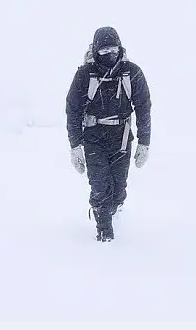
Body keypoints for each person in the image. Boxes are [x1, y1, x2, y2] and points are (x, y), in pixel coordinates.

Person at [65, 26, 152, 242]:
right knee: (99, 185)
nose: (109, 55)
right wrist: (75, 146)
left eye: (113, 50)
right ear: (95, 51)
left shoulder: (132, 73)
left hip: (122, 138)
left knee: (119, 188)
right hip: (94, 138)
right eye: (103, 51)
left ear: (120, 49)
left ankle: (114, 210)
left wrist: (144, 143)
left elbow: (143, 107)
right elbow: (73, 110)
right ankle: (105, 235)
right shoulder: (85, 75)